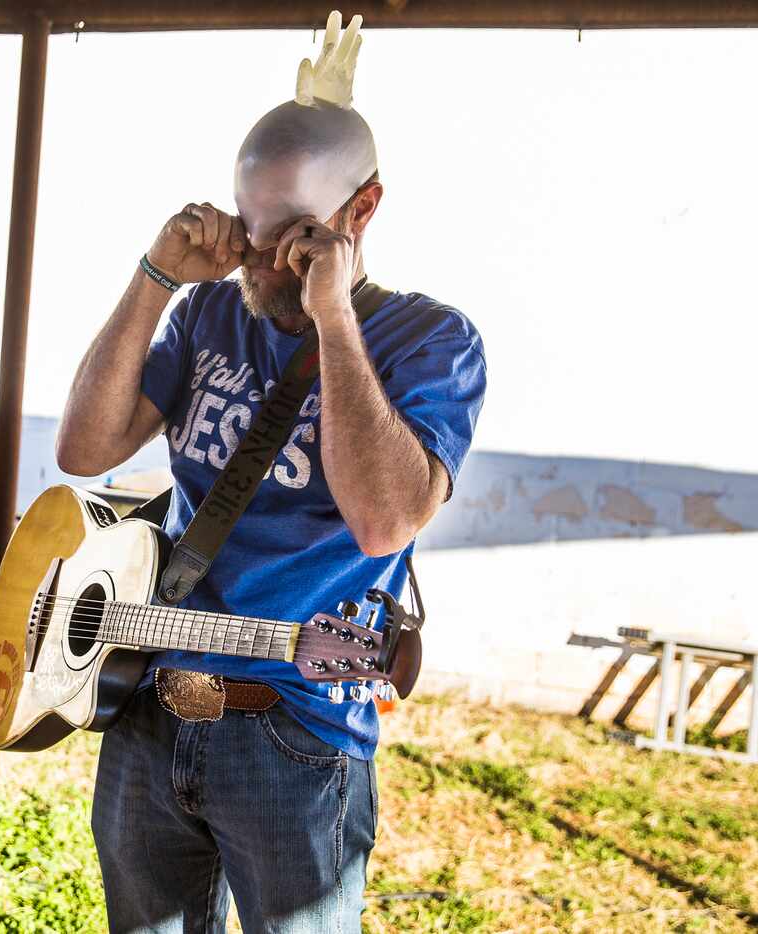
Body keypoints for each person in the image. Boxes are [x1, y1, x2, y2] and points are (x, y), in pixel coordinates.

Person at [56, 13, 486, 932]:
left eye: (287, 237)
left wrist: (333, 322)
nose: (258, 261)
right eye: (249, 235)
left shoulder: (432, 343)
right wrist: (156, 276)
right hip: (149, 705)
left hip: (297, 731)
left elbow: (385, 523)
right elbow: (83, 448)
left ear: (360, 212)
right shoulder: (212, 313)